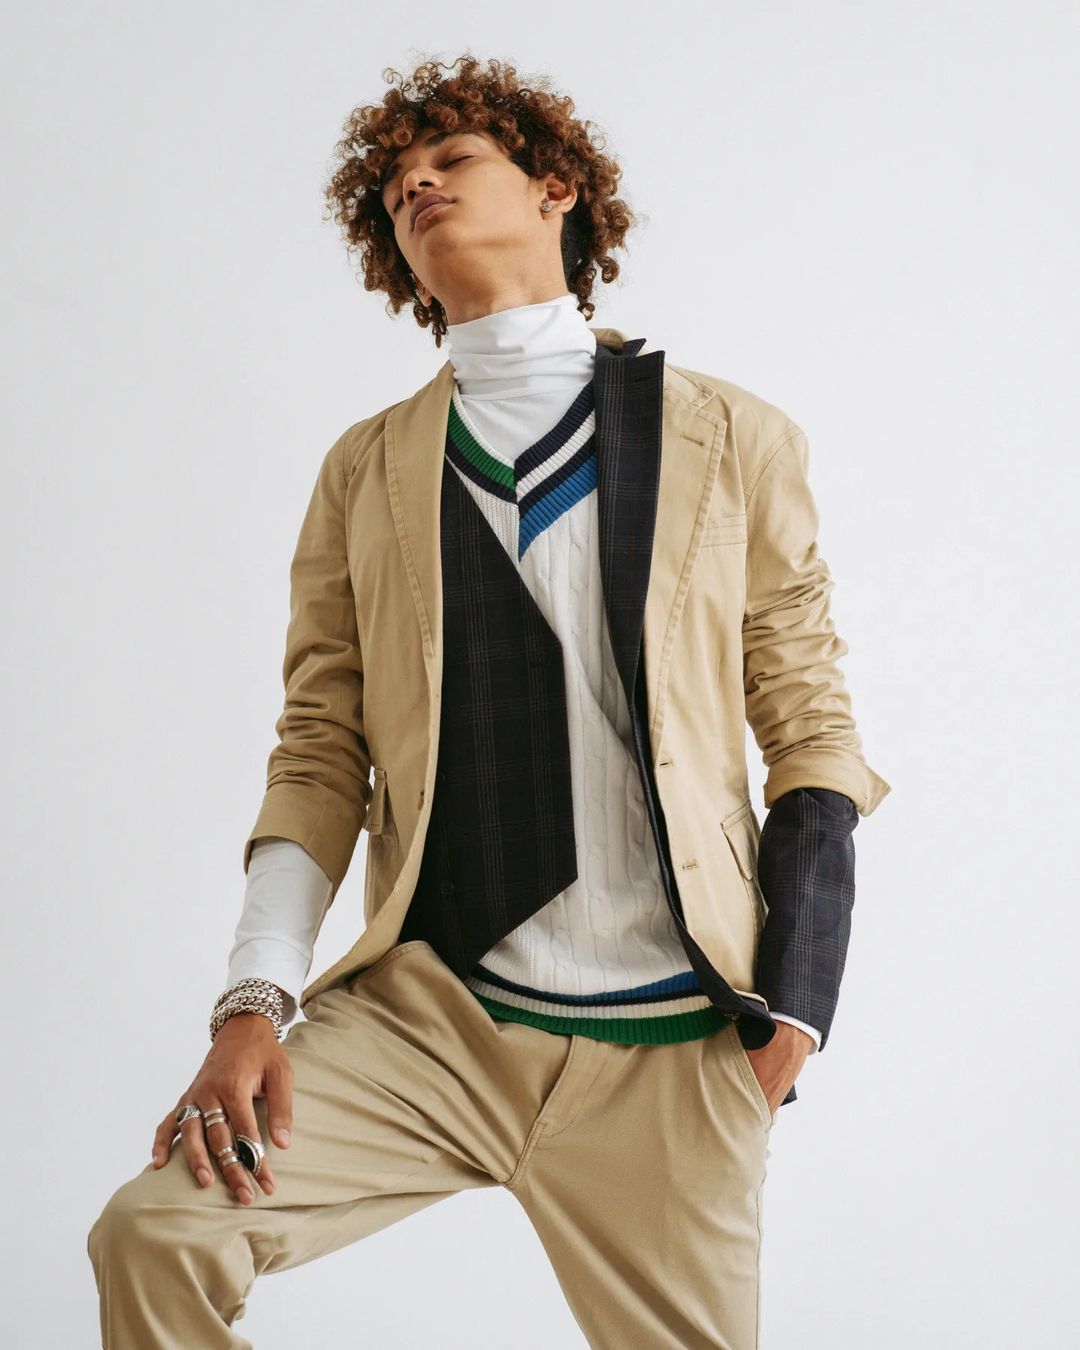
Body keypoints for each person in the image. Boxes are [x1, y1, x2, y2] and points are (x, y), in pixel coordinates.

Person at [86, 53, 891, 1349]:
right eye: (396, 187)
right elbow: (319, 750)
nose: (417, 185)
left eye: (451, 159)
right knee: (156, 1231)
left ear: (555, 187)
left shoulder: (732, 438)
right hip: (434, 1021)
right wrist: (253, 1003)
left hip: (671, 1048)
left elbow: (812, 731)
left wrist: (795, 1009)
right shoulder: (365, 471)